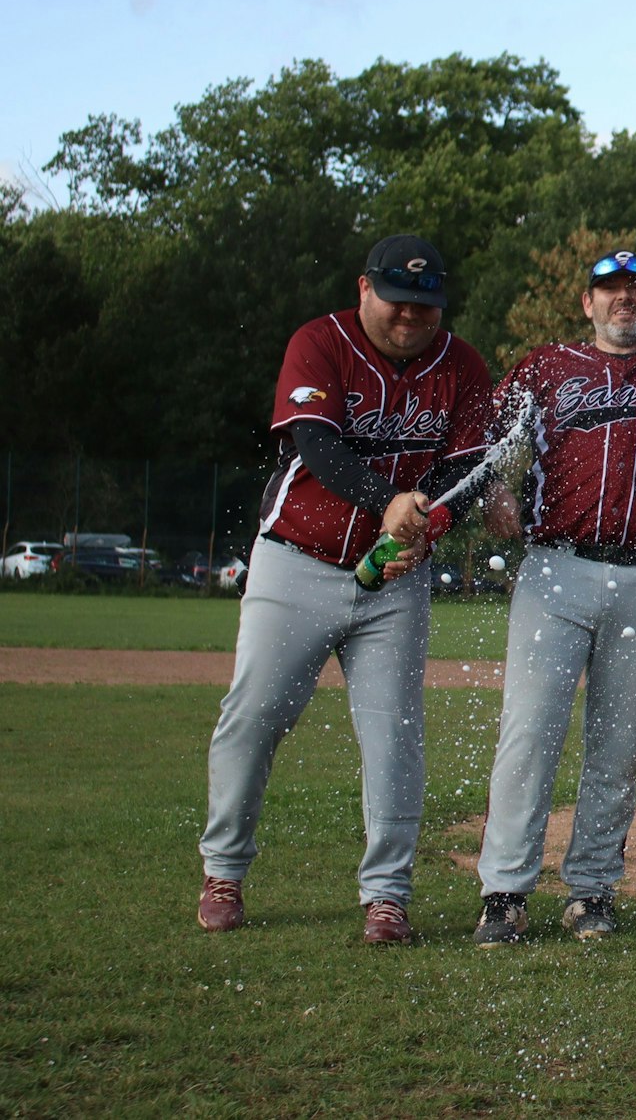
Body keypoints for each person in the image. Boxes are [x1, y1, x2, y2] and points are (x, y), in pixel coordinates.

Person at [198, 234, 493, 943]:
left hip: (394, 579)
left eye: (426, 306)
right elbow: (317, 445)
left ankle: (387, 895)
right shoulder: (320, 341)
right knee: (254, 715)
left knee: (394, 733)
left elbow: (470, 465)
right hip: (296, 558)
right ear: (365, 288)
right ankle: (224, 869)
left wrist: (425, 529)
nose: (411, 317)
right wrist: (390, 497)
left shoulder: (462, 364)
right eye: (397, 301)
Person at [470, 250, 636, 945]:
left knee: (618, 745)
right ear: (587, 303)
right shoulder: (546, 366)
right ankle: (504, 889)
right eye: (610, 290)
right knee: (530, 731)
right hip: (556, 567)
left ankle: (592, 889)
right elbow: (474, 434)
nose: (624, 300)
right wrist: (491, 486)